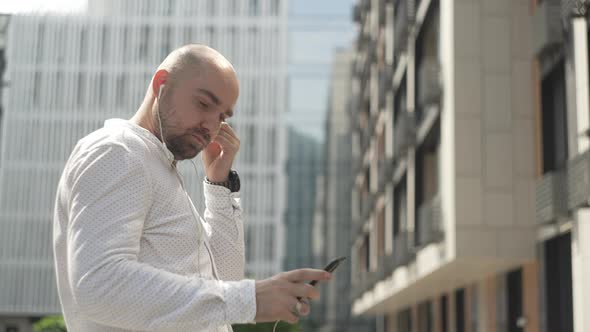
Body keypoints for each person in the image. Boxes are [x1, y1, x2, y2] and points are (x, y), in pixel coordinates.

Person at [52, 44, 330, 332]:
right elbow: (99, 284)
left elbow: (225, 280)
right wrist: (251, 298)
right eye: (204, 104)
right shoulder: (118, 151)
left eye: (222, 117)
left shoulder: (158, 165)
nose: (211, 125)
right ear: (162, 84)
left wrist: (219, 184)